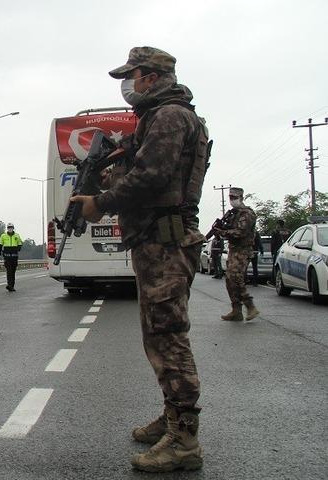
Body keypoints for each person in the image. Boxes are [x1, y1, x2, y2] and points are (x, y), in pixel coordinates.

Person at [71, 46, 208, 472]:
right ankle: (172, 418)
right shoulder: (159, 117)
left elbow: (153, 177)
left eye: (131, 77)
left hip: (166, 241)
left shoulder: (169, 116)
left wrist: (100, 203)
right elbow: (142, 168)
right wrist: (111, 172)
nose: (128, 86)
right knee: (158, 335)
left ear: (149, 76)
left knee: (169, 337)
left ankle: (184, 439)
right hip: (156, 240)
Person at [217, 187, 259, 321]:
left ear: (241, 198)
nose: (232, 200)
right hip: (233, 249)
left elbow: (241, 233)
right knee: (229, 279)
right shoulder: (233, 214)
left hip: (243, 250)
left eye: (234, 197)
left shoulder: (247, 214)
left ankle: (250, 306)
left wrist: (223, 232)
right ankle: (236, 310)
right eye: (230, 197)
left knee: (235, 277)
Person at [0, 222, 23, 291]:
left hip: (14, 257)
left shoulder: (17, 235)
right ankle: (9, 285)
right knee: (9, 271)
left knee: (13, 271)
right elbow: (0, 245)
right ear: (7, 228)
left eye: (11, 227)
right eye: (9, 228)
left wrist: (17, 249)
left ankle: (12, 285)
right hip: (7, 257)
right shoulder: (3, 236)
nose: (10, 229)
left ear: (13, 228)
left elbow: (20, 244)